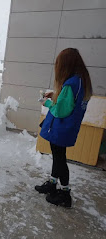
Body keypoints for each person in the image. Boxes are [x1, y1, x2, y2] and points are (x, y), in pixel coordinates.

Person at [35, 48, 93, 208]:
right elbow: (69, 102)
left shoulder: (70, 83)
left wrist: (46, 102)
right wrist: (55, 95)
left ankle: (65, 194)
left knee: (60, 159)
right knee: (58, 156)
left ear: (66, 65)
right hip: (68, 128)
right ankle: (53, 184)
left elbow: (60, 110)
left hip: (60, 128)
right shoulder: (81, 81)